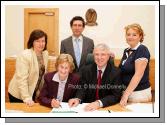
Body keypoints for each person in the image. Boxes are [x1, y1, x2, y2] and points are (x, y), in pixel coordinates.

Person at [68, 44, 122, 111]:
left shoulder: (116, 73)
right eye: (97, 54)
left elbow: (115, 95)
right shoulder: (86, 70)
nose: (99, 57)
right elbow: (82, 88)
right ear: (93, 56)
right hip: (87, 107)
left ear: (108, 56)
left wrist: (98, 103)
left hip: (105, 108)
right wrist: (77, 99)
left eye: (103, 54)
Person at [8, 29, 48, 106]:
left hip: (32, 91)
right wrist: (26, 98)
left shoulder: (45, 54)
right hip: (19, 93)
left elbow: (42, 74)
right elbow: (22, 79)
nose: (41, 44)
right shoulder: (25, 55)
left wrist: (42, 93)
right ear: (32, 42)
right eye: (37, 41)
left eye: (43, 41)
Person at [119, 23, 152, 107]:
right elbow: (121, 71)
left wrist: (125, 95)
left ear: (140, 37)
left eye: (134, 35)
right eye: (128, 34)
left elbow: (138, 75)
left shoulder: (142, 49)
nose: (130, 37)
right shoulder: (126, 50)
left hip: (139, 94)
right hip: (127, 92)